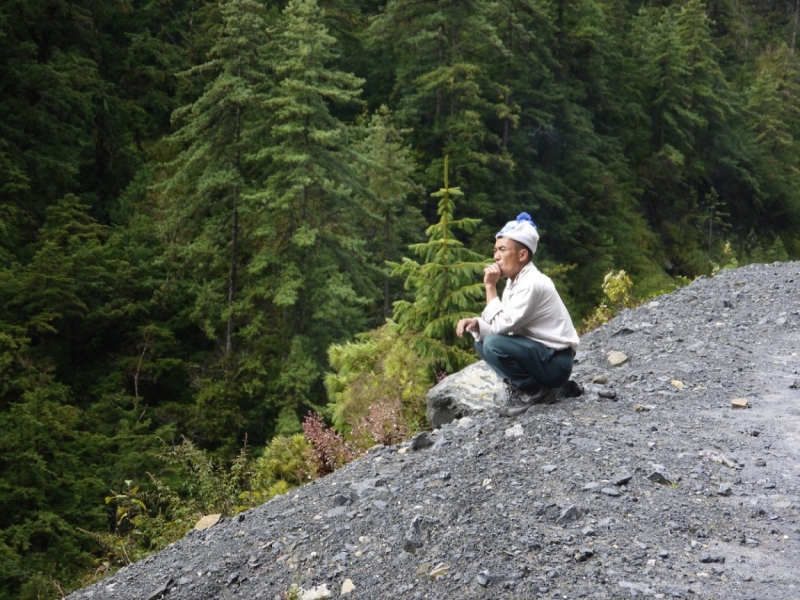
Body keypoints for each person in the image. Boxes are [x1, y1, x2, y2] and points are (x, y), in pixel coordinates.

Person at [455, 213, 579, 417]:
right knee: (482, 341)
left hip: (556, 361)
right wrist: (478, 324)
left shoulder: (532, 283)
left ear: (522, 255)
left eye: (502, 249)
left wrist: (490, 287)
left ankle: (535, 391)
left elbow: (502, 326)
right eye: (495, 250)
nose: (496, 256)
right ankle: (529, 387)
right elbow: (504, 325)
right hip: (542, 355)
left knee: (493, 343)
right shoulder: (515, 282)